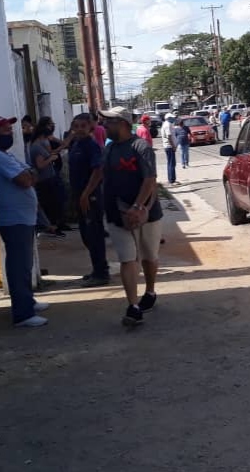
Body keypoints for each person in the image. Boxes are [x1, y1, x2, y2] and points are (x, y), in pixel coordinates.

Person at [99, 106, 164, 326]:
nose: (104, 126)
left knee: (149, 256)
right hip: (118, 213)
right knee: (127, 258)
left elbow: (149, 180)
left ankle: (150, 291)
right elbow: (102, 177)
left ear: (123, 124)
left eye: (109, 122)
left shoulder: (140, 147)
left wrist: (138, 207)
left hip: (147, 213)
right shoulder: (108, 150)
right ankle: (133, 306)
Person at [0, 116, 49, 327]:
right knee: (19, 266)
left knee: (25, 264)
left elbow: (33, 174)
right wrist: (29, 175)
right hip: (14, 220)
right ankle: (23, 314)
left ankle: (27, 302)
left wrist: (30, 175)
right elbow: (25, 180)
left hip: (23, 218)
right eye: (5, 130)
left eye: (11, 129)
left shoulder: (6, 155)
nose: (10, 133)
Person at [67, 113, 110, 286]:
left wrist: (86, 194)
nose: (79, 130)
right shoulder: (76, 143)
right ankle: (98, 268)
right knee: (86, 235)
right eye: (76, 126)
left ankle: (101, 274)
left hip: (90, 196)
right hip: (79, 195)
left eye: (82, 126)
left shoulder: (90, 145)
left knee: (94, 234)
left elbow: (98, 171)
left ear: (89, 127)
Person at [29, 116, 70, 233]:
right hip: (45, 180)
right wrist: (51, 158)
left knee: (58, 200)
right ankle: (52, 226)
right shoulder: (36, 146)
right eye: (49, 125)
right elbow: (40, 165)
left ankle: (58, 224)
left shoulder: (44, 142)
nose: (52, 127)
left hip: (50, 177)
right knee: (51, 203)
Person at [160, 112, 178, 184]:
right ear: (168, 118)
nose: (173, 119)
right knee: (171, 163)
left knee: (171, 163)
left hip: (169, 146)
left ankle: (171, 179)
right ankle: (172, 180)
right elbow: (169, 136)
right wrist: (173, 146)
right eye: (172, 118)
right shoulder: (167, 125)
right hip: (169, 146)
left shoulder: (168, 124)